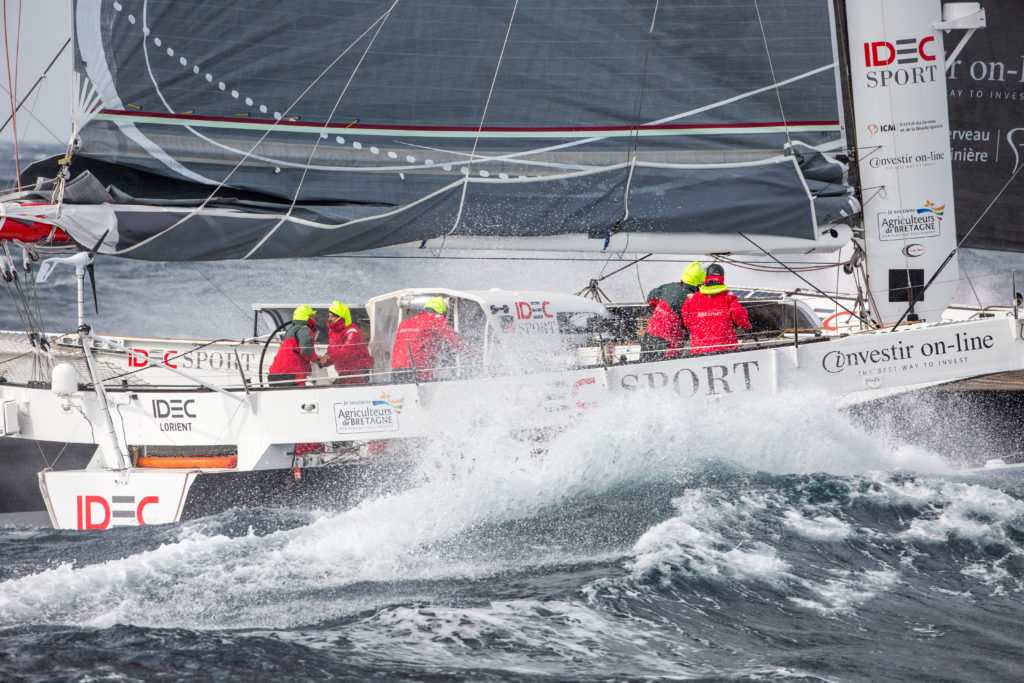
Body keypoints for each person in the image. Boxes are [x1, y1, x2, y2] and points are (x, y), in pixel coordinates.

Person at [391, 296, 474, 381]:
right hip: (419, 368)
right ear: (442, 312)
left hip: (396, 368)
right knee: (427, 393)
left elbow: (416, 343)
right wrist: (471, 351)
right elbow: (453, 339)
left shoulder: (405, 323)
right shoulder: (435, 319)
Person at [680, 263, 751, 354]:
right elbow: (738, 313)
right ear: (722, 277)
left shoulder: (691, 298)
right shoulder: (728, 297)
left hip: (699, 350)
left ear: (706, 277)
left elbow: (687, 320)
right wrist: (747, 326)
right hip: (726, 348)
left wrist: (699, 325)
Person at [641, 260, 705, 360]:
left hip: (650, 335)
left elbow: (651, 298)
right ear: (697, 285)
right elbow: (692, 324)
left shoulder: (669, 287)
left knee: (644, 368)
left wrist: (661, 310)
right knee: (667, 370)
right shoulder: (692, 299)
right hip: (669, 343)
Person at [319, 301, 373, 384]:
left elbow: (346, 353)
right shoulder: (333, 331)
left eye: (332, 316)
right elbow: (333, 350)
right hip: (345, 373)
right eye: (329, 316)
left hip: (358, 373)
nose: (329, 319)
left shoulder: (352, 332)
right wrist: (325, 361)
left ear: (341, 317)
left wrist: (329, 356)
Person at [267, 304, 320, 386]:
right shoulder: (304, 329)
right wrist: (318, 360)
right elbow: (306, 351)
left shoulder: (290, 331)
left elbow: (294, 354)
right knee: (300, 396)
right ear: (307, 317)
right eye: (312, 317)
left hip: (274, 375)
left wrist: (308, 369)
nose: (314, 319)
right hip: (292, 375)